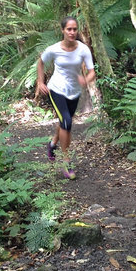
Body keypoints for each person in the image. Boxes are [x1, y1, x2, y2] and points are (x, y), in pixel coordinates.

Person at [36, 16, 96, 180]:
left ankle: (52, 144)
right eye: (69, 29)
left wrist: (86, 80)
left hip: (74, 92)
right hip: (56, 89)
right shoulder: (54, 49)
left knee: (65, 122)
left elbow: (92, 71)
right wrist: (40, 82)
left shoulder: (83, 49)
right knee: (67, 122)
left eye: (74, 29)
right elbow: (40, 62)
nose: (72, 32)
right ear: (62, 30)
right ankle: (66, 161)